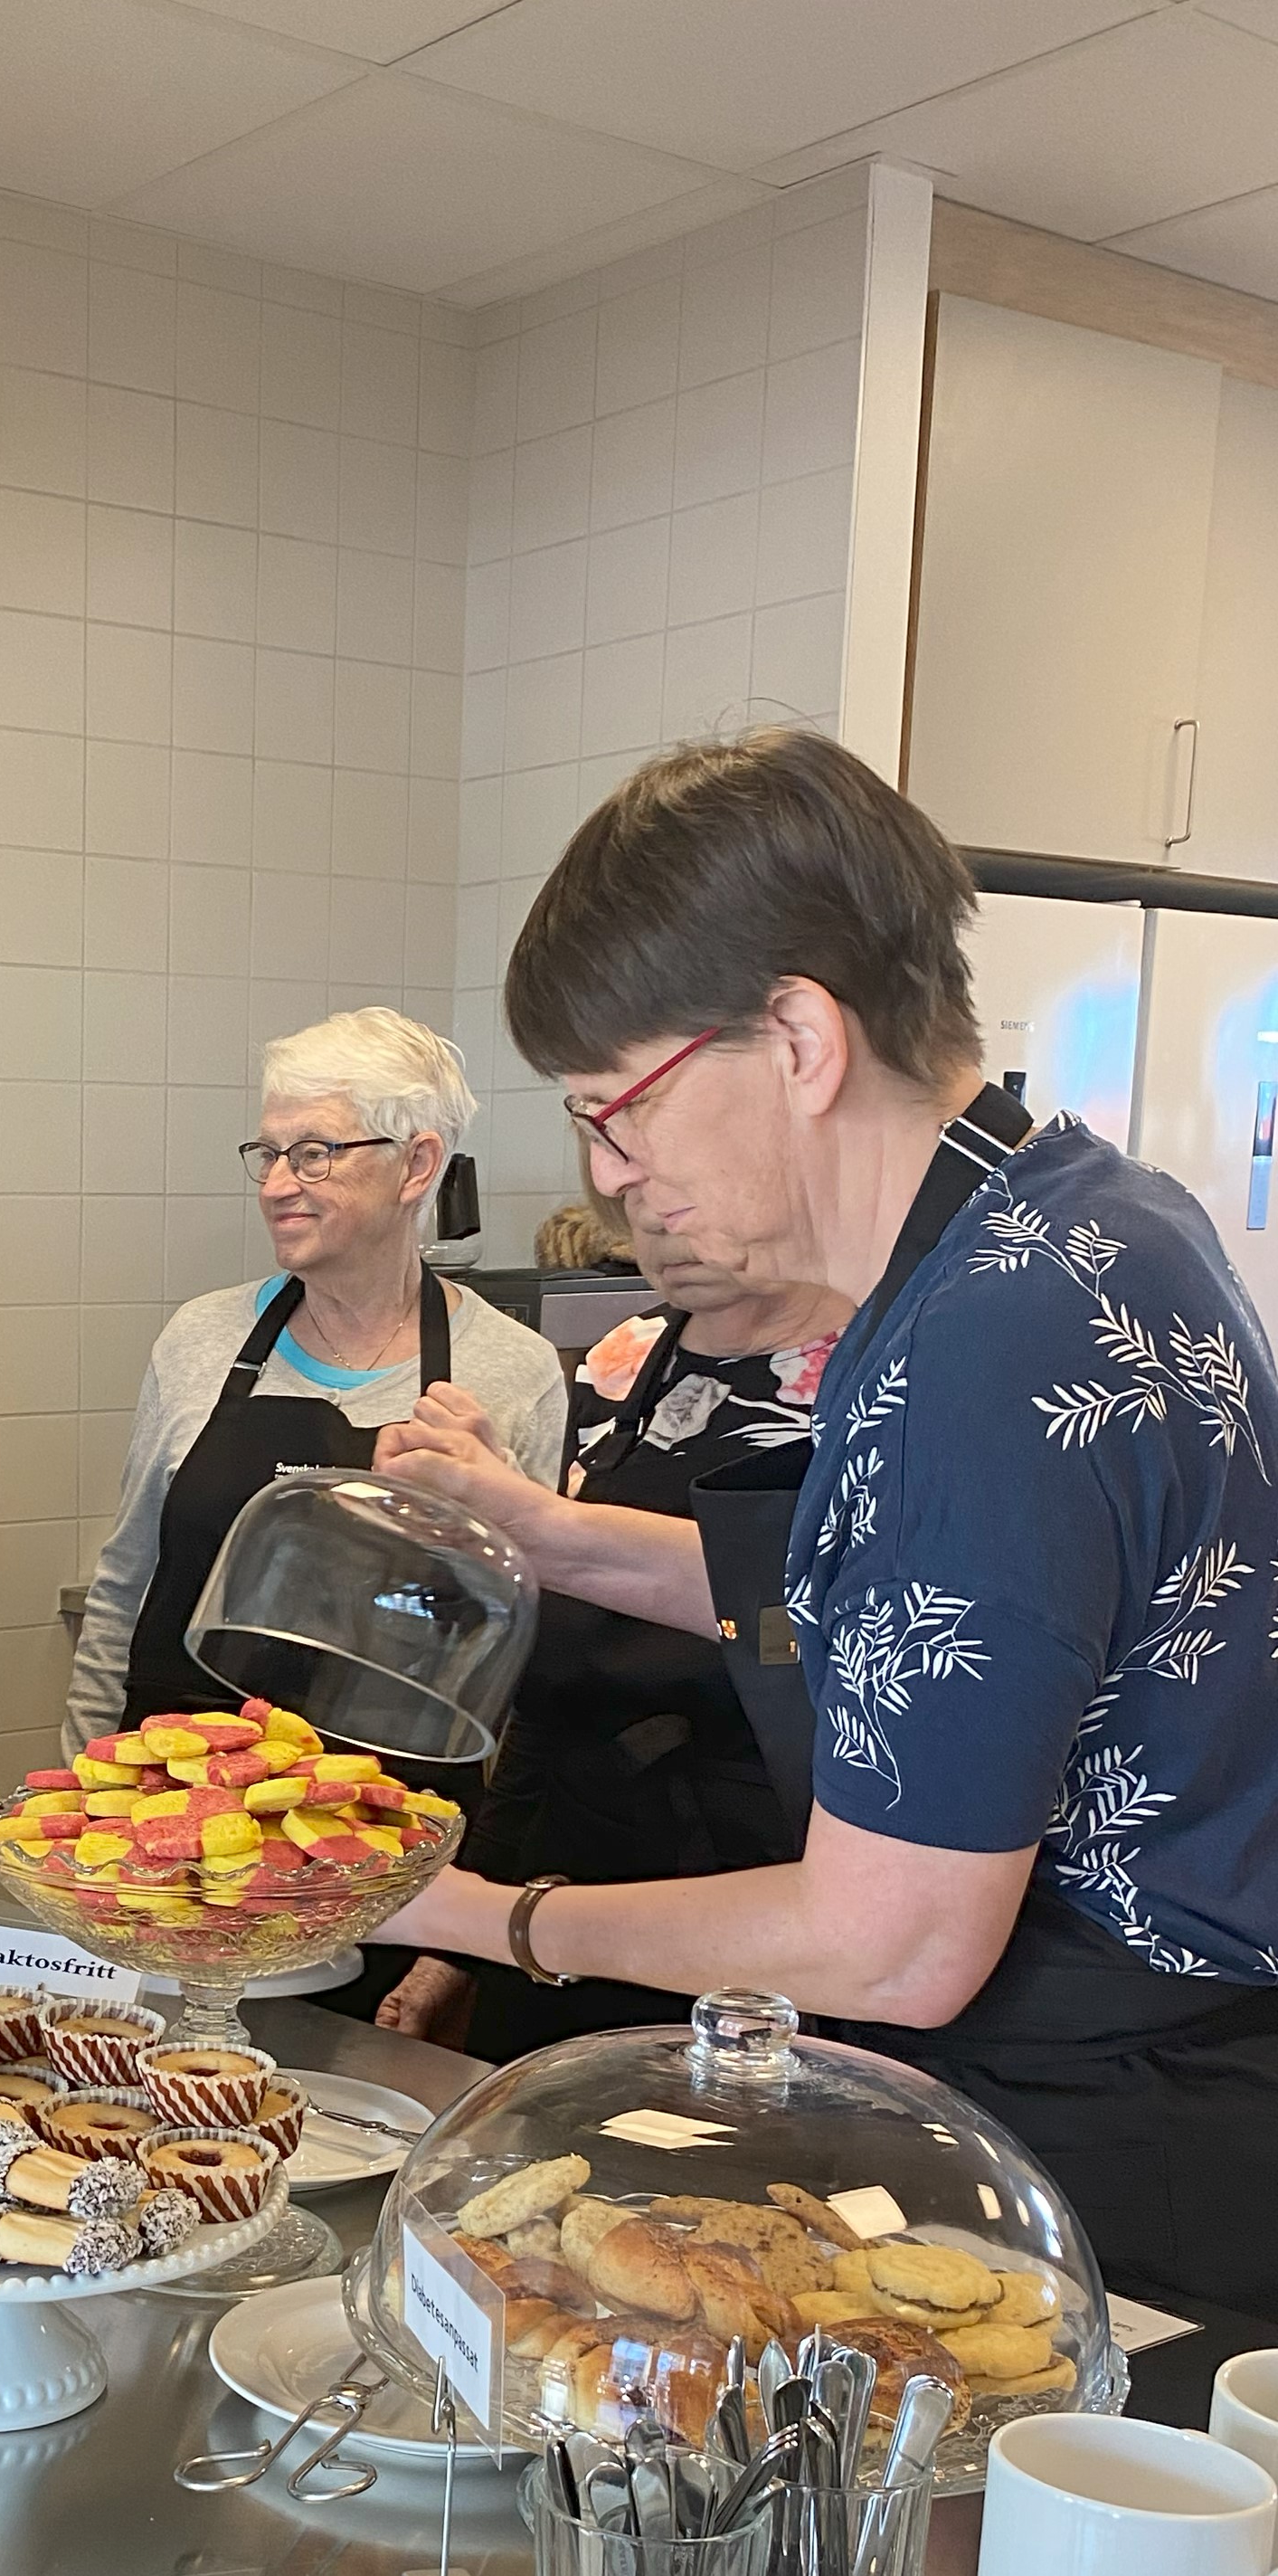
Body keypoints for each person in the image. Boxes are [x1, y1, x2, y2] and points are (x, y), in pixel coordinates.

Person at [373, 727, 1278, 2310]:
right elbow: (939, 1614)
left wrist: (481, 1911)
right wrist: (549, 1530)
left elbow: (891, 1942)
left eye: (615, 1106)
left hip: (1106, 2148)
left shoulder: (980, 1346)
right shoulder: (1074, 1213)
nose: (610, 1171)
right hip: (1163, 2090)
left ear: (793, 1037)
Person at [374, 1202, 847, 2058]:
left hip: (772, 1922)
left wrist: (534, 1523)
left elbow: (836, 1628)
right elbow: (557, 1701)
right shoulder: (626, 1359)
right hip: (565, 1903)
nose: (653, 1206)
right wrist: (461, 1945)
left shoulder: (889, 1376)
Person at [67, 1011, 566, 1752]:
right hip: (173, 1797)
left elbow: (521, 1635)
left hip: (395, 1817)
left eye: (312, 1154)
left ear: (417, 1165)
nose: (275, 1186)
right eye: (266, 1153)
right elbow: (126, 1585)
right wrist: (82, 1774)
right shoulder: (201, 1340)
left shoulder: (511, 1370)